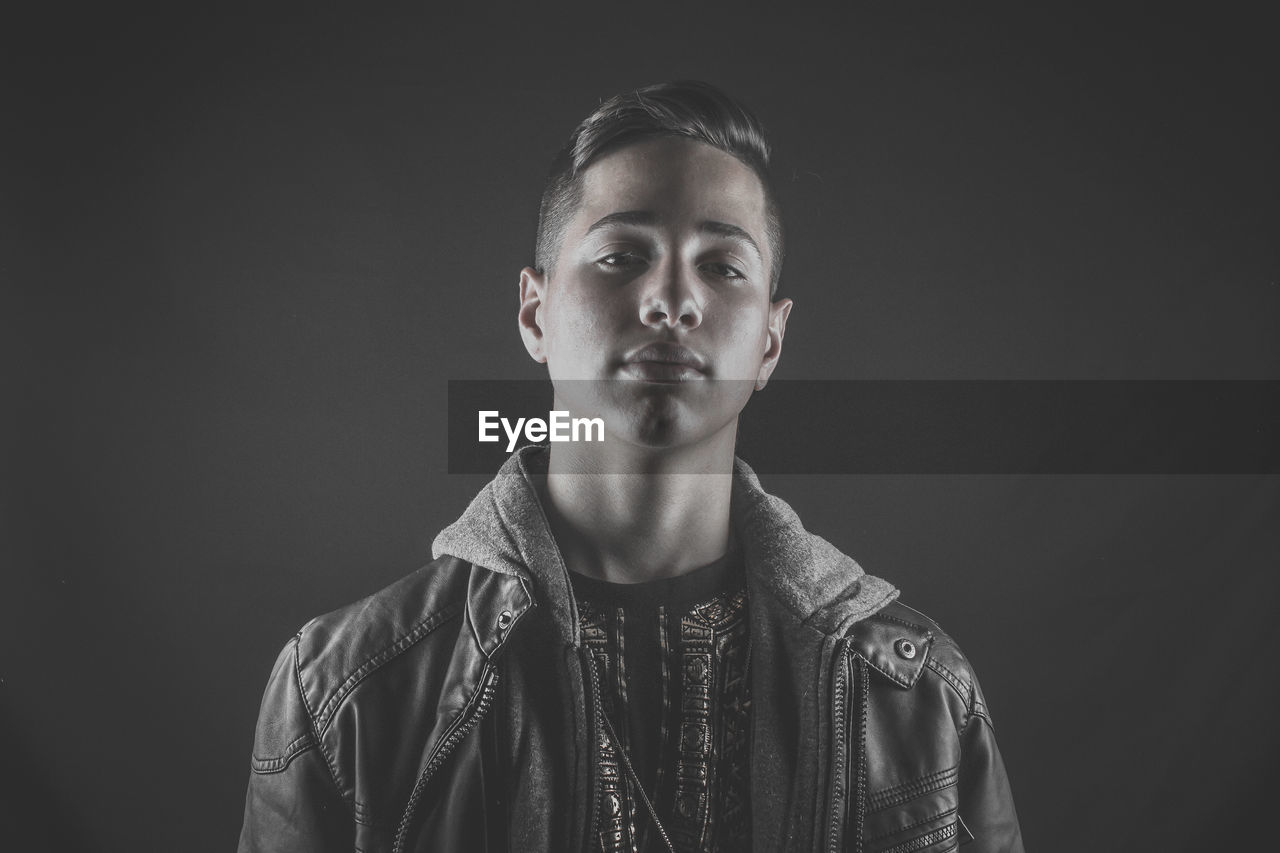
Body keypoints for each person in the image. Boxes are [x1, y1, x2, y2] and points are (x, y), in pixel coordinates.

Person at [237, 80, 1024, 853]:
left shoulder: (919, 697)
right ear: (534, 312)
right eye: (621, 255)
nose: (671, 300)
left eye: (722, 266)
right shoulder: (346, 690)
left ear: (771, 344)